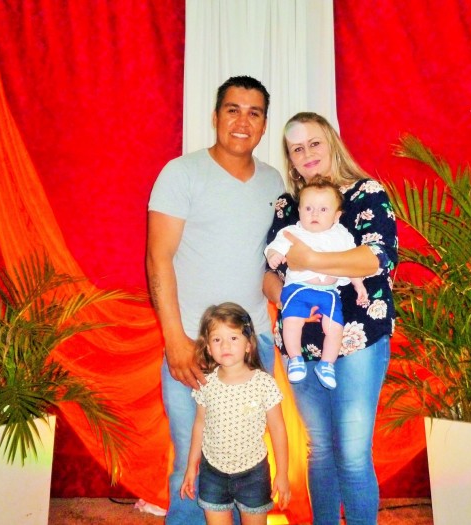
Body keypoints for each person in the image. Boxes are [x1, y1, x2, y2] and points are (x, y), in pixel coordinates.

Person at [146, 76, 285, 524]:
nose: (243, 121)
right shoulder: (181, 173)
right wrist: (175, 339)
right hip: (193, 344)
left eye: (254, 112)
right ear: (215, 116)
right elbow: (158, 258)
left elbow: (271, 261)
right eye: (233, 109)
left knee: (248, 461)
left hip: (255, 345)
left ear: (264, 124)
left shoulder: (274, 182)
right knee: (191, 461)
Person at [263, 112, 398, 525]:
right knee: (319, 448)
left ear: (331, 143)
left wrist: (311, 260)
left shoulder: (367, 193)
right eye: (296, 148)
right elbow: (268, 273)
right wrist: (289, 299)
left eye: (314, 143)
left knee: (353, 452)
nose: (307, 153)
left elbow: (378, 257)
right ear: (290, 159)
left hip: (359, 336)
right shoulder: (288, 206)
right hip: (300, 342)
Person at [180, 302, 291, 524]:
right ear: (208, 348)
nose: (225, 346)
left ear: (248, 345)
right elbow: (199, 426)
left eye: (233, 338)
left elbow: (278, 429)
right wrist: (191, 466)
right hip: (213, 474)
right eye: (217, 340)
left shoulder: (263, 384)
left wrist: (282, 473)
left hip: (254, 474)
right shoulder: (206, 384)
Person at [265, 176, 367, 389]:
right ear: (299, 211)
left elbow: (351, 262)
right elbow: (275, 246)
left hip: (329, 292)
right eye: (308, 208)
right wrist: (274, 255)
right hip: (298, 290)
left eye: (323, 209)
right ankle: (295, 359)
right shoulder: (293, 232)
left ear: (336, 215)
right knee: (292, 322)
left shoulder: (342, 236)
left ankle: (327, 364)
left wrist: (359, 285)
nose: (314, 214)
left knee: (335, 328)